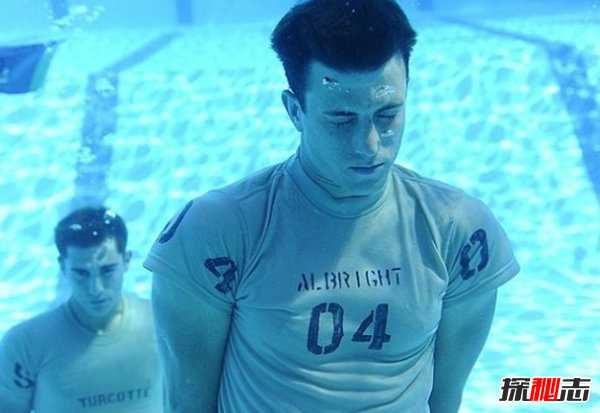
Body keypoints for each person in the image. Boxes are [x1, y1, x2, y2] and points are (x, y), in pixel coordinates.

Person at [145, 1, 520, 412]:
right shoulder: (217, 232)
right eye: (341, 120)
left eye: (387, 115)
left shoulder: (459, 230)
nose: (369, 145)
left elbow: (445, 401)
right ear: (294, 111)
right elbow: (187, 402)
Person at [0, 207, 163, 413]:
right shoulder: (25, 345)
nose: (95, 289)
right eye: (81, 273)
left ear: (127, 261)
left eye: (107, 270)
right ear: (62, 266)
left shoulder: (162, 324)